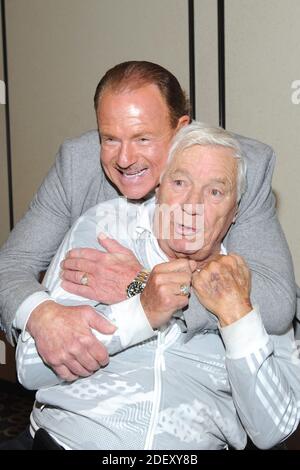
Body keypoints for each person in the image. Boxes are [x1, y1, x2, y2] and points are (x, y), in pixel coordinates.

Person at [0, 61, 296, 382]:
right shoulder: (77, 164)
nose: (125, 159)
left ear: (181, 129)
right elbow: (10, 265)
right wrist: (42, 315)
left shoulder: (235, 166)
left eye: (142, 139)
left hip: (196, 383)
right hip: (97, 381)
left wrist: (140, 285)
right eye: (110, 139)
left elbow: (278, 302)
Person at [13, 123, 300, 450]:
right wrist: (141, 309)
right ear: (158, 188)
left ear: (235, 212)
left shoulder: (255, 286)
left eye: (215, 192)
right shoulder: (104, 238)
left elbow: (275, 429)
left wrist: (238, 319)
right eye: (180, 183)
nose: (193, 205)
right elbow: (31, 367)